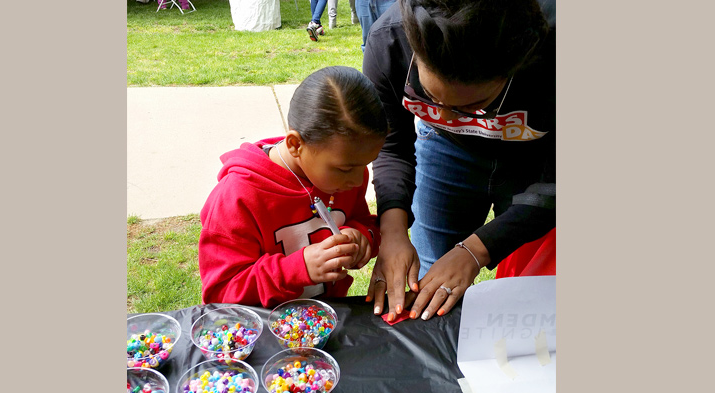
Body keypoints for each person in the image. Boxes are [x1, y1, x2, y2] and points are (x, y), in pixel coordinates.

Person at [362, 0, 556, 322]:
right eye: (432, 98)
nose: (446, 116)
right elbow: (392, 146)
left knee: (527, 295)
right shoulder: (389, 41)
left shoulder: (554, 47)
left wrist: (475, 251)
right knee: (429, 284)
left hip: (536, 162)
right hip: (445, 154)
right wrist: (393, 231)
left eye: (474, 105)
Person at [198, 66, 388, 308]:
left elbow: (364, 221)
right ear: (295, 144)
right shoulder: (237, 196)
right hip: (262, 331)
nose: (358, 181)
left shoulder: (345, 175)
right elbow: (220, 292)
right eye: (345, 169)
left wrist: (362, 237)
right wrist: (297, 269)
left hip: (325, 323)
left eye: (365, 165)